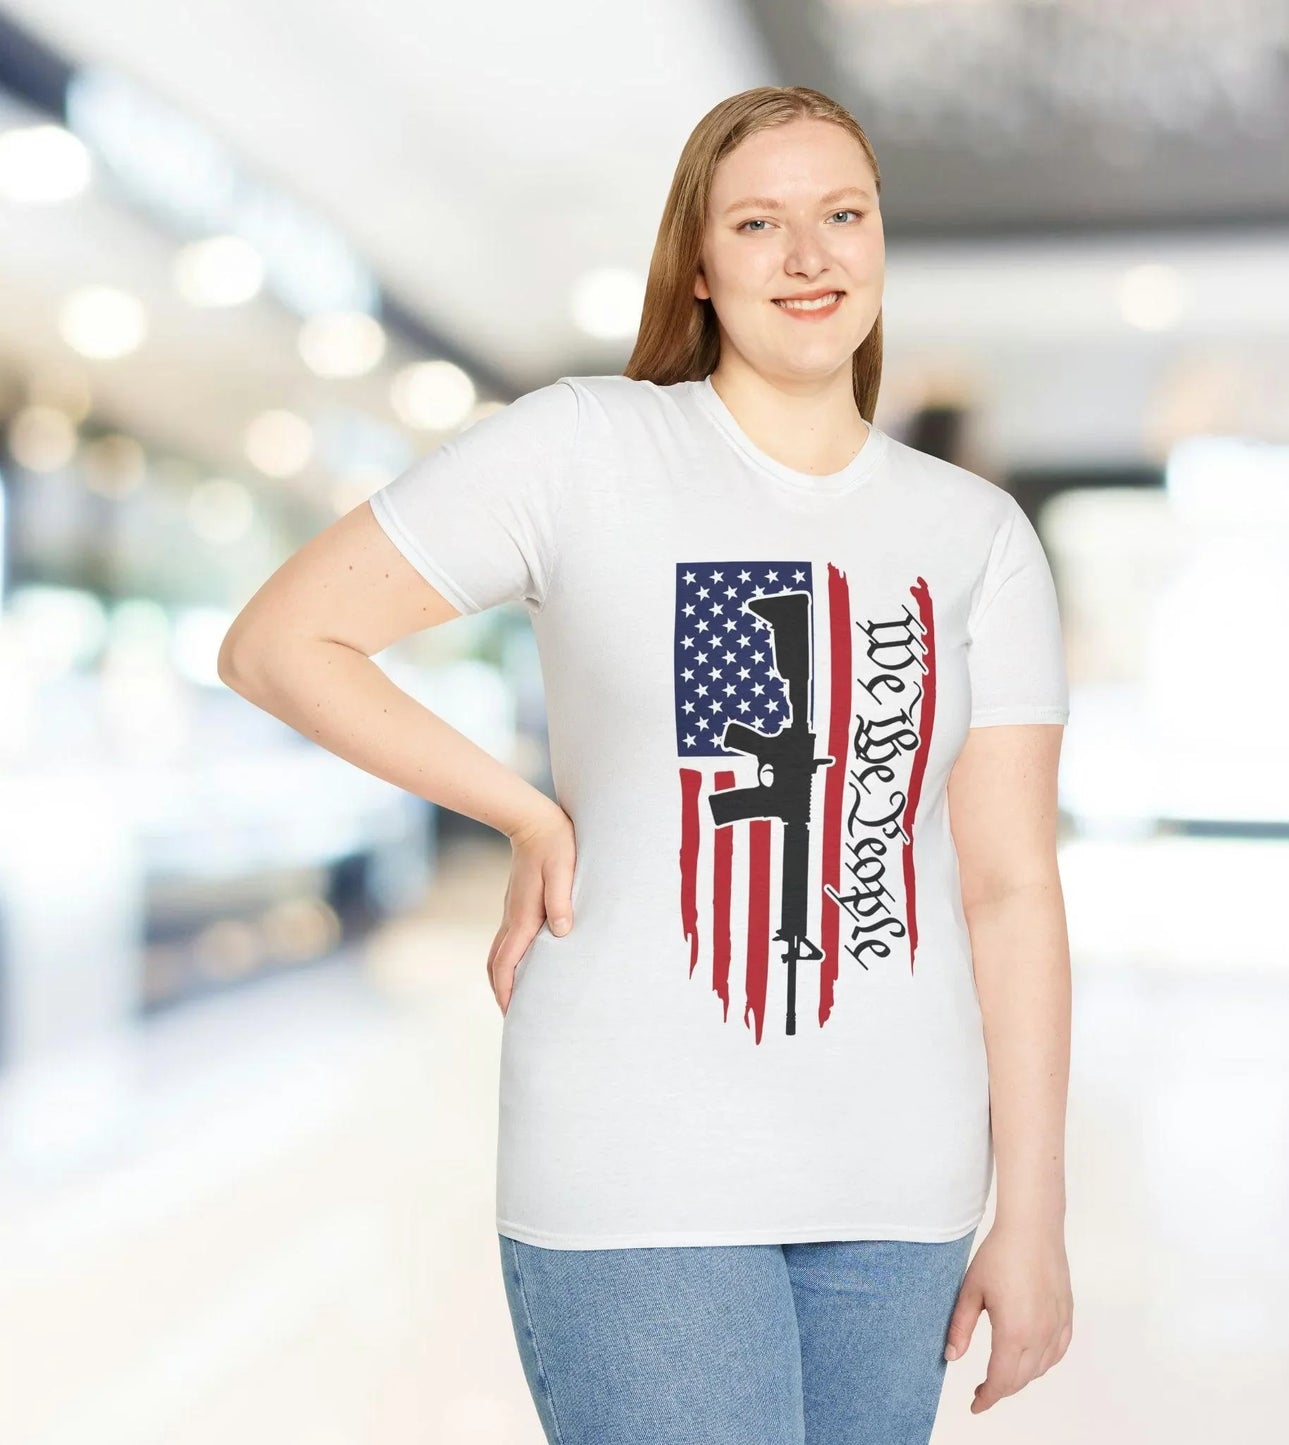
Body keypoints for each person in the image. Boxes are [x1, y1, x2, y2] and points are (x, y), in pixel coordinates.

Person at [219, 83, 1073, 1444]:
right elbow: (281, 640)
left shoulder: (970, 533)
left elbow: (1009, 889)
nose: (808, 256)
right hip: (635, 1166)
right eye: (759, 221)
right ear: (700, 264)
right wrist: (524, 811)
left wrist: (1031, 1214)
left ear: (878, 241)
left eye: (841, 214)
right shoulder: (585, 449)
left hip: (899, 1180)